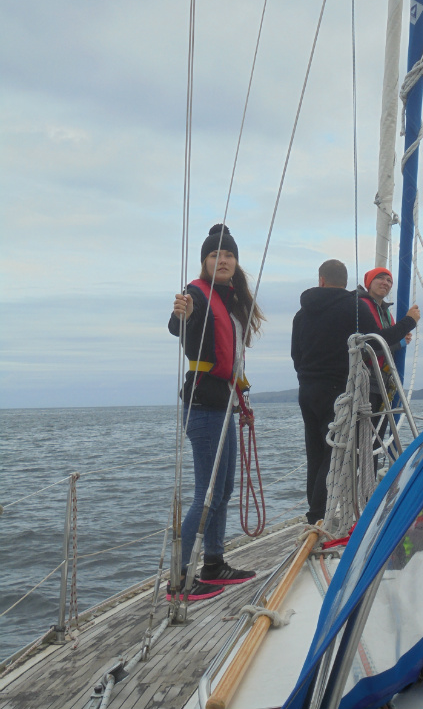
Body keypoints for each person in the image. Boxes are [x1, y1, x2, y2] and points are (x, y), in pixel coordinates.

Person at [168, 223, 265, 601]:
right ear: (204, 261)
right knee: (205, 494)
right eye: (214, 255)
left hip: (225, 405)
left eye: (228, 255)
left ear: (235, 262)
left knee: (222, 490)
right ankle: (179, 578)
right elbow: (180, 324)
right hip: (204, 405)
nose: (222, 260)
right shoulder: (196, 294)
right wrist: (183, 314)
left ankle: (213, 563)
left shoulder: (230, 300)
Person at [291, 259, 419, 524]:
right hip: (339, 389)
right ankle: (318, 517)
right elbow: (377, 342)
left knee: (315, 452)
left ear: (321, 280)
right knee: (333, 454)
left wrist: (307, 377)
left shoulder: (301, 314)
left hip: (307, 389)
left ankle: (314, 515)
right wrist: (409, 321)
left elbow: (296, 354)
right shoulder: (354, 307)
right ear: (346, 282)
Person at [357, 267, 413, 470]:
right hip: (366, 382)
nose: (385, 283)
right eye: (380, 278)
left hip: (382, 382)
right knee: (365, 439)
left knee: (376, 440)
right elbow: (372, 345)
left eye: (389, 280)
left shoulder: (385, 312)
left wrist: (400, 339)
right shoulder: (361, 306)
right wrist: (401, 342)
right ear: (368, 283)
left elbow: (387, 339)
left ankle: (369, 482)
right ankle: (362, 480)